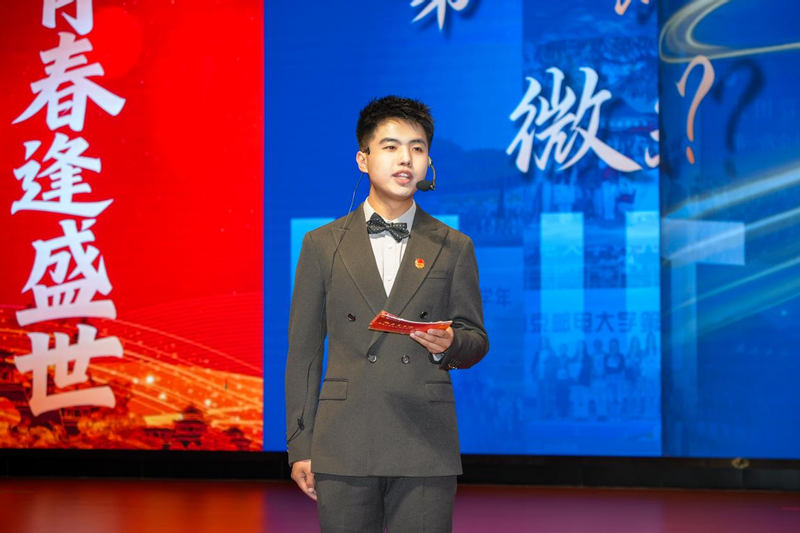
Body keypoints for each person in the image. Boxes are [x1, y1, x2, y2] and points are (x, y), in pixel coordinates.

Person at [285, 95, 489, 532]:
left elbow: (475, 340)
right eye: (391, 146)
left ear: (428, 161)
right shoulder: (322, 245)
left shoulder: (454, 245)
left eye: (417, 148)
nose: (406, 159)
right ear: (363, 159)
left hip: (425, 440)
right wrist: (300, 444)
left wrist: (450, 344)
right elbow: (303, 353)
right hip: (344, 438)